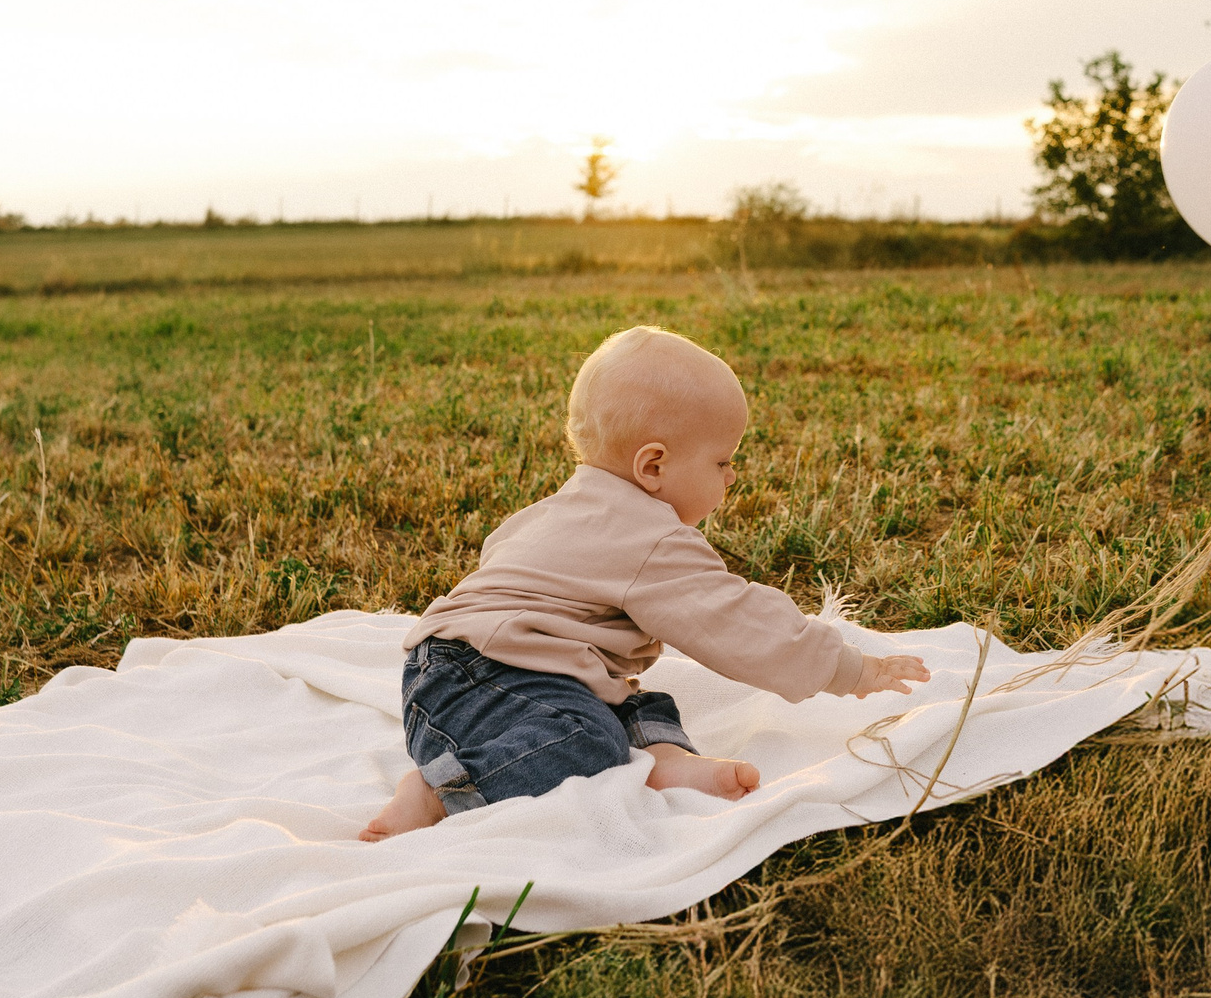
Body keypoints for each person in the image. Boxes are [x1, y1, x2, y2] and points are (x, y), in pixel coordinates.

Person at [360, 325, 930, 841]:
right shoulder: (648, 539)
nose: (733, 476)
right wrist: (848, 669)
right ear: (653, 466)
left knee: (634, 702)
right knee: (587, 739)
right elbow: (734, 620)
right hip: (487, 679)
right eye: (722, 462)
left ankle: (663, 761)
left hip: (449, 677)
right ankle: (439, 791)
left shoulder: (560, 509)